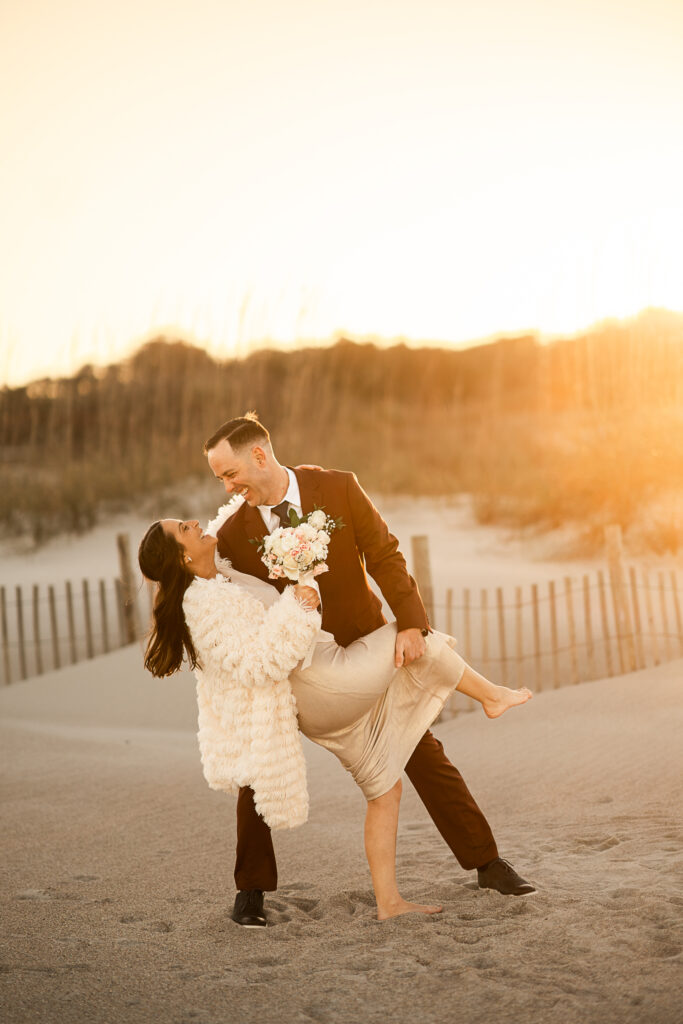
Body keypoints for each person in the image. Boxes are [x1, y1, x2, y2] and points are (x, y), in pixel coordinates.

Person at [199, 413, 537, 927]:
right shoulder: (232, 531)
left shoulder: (337, 487)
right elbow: (213, 588)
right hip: (294, 671)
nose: (226, 486)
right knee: (254, 765)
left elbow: (383, 552)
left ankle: (487, 863)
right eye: (220, 478)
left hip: (363, 644)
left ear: (259, 456)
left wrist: (410, 623)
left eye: (229, 473)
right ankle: (251, 891)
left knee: (423, 752)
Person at [138, 516, 533, 922]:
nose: (196, 520)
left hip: (327, 666)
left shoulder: (224, 561)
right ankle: (492, 696)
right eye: (184, 528)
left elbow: (380, 553)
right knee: (417, 639)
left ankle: (393, 901)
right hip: (318, 682)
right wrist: (301, 600)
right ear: (184, 557)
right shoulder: (207, 599)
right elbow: (258, 658)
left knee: (386, 786)